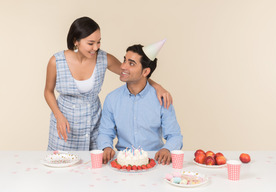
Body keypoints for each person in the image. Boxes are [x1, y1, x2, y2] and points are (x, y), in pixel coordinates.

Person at [44, 17, 172, 151]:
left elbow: (132, 73)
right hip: (64, 127)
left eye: (98, 42)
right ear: (76, 41)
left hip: (92, 127)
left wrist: (157, 86)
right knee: (61, 168)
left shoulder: (104, 58)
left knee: (91, 168)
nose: (96, 47)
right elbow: (48, 91)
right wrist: (58, 116)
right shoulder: (56, 61)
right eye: (91, 43)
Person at [97, 41, 183, 165]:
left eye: (131, 63)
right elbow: (105, 132)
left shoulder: (162, 99)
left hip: (155, 161)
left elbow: (175, 135)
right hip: (122, 162)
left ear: (145, 72)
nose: (123, 66)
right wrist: (106, 147)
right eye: (124, 60)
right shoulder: (112, 99)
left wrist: (167, 149)